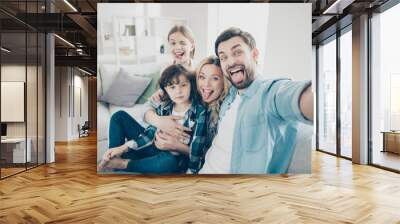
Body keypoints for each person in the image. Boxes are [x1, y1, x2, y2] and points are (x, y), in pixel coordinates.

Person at [198, 27, 313, 174]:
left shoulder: (268, 94)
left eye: (237, 52)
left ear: (254, 54)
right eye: (223, 57)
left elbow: (294, 95)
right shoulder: (230, 94)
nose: (231, 61)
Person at [98, 64, 207, 174]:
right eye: (172, 87)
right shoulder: (164, 107)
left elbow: (196, 153)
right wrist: (123, 147)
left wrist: (191, 172)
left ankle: (124, 164)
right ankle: (113, 157)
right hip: (152, 146)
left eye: (183, 85)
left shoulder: (199, 112)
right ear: (165, 90)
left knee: (168, 163)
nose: (178, 91)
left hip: (171, 157)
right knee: (119, 116)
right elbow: (150, 135)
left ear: (191, 85)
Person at [144, 56, 231, 169]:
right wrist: (157, 120)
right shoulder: (188, 95)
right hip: (158, 144)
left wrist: (176, 146)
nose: (206, 84)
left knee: (167, 163)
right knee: (119, 117)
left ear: (224, 82)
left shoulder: (219, 112)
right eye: (202, 77)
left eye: (215, 78)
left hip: (178, 158)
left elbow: (206, 157)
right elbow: (148, 106)